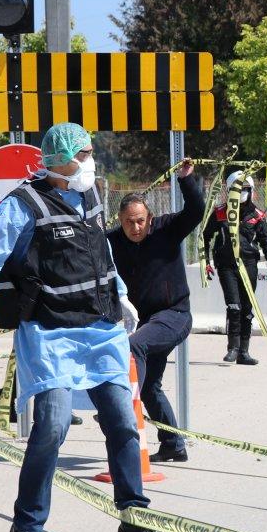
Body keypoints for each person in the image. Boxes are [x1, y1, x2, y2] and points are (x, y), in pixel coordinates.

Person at [0, 122, 170, 532]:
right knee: (51, 427)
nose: (92, 161)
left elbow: (101, 253)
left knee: (123, 423)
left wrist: (122, 295)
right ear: (60, 160)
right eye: (84, 154)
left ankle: (135, 517)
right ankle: (27, 527)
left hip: (101, 329)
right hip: (51, 334)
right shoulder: (22, 205)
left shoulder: (90, 194)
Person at [107, 158, 204, 464]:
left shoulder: (166, 229)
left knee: (133, 346)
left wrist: (186, 180)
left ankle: (122, 406)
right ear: (120, 220)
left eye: (140, 221)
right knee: (149, 385)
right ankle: (174, 444)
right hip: (145, 321)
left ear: (150, 217)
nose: (135, 228)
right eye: (129, 222)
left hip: (175, 315)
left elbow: (196, 210)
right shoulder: (112, 242)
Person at [203, 173, 267, 365]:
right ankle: (233, 348)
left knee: (246, 309)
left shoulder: (257, 216)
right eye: (237, 189)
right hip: (226, 266)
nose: (241, 193)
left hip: (249, 266)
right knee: (233, 306)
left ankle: (244, 352)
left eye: (245, 189)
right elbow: (204, 236)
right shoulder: (220, 213)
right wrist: (206, 262)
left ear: (251, 191)